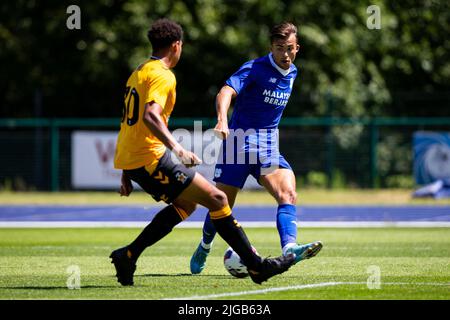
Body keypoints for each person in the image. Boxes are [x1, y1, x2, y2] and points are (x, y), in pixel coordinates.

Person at [110, 18, 296, 286]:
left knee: (187, 204)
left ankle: (128, 255)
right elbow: (150, 116)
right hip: (150, 158)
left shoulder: (139, 71)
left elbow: (129, 121)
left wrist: (126, 170)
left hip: (136, 158)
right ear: (176, 45)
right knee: (218, 199)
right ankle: (257, 268)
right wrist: (178, 148)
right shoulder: (163, 75)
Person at [190, 22, 322, 274]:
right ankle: (205, 245)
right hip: (238, 143)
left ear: (298, 48)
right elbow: (226, 91)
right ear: (271, 47)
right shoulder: (255, 68)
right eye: (279, 48)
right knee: (221, 206)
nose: (285, 54)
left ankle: (290, 248)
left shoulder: (293, 72)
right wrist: (221, 119)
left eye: (290, 48)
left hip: (267, 146)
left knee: (288, 193)